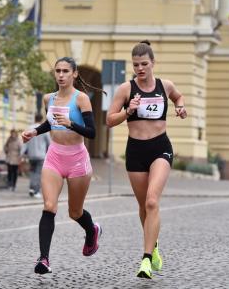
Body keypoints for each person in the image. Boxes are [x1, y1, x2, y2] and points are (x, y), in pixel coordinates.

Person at [106, 40, 187, 279]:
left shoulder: (165, 85)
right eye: (136, 65)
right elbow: (110, 120)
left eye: (144, 64)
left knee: (152, 202)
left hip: (160, 147)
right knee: (143, 206)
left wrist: (180, 108)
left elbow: (178, 96)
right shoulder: (125, 89)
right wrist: (128, 111)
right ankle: (155, 246)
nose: (140, 69)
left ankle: (146, 260)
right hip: (136, 151)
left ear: (153, 63)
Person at [21, 57, 105, 275]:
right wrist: (35, 131)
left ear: (74, 74)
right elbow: (50, 123)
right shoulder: (49, 98)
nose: (60, 75)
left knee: (75, 212)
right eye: (57, 71)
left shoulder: (81, 99)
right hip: (54, 157)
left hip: (77, 159)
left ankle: (92, 229)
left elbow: (92, 133)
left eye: (65, 71)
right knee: (49, 206)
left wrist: (71, 124)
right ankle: (44, 259)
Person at [21, 114, 51, 198]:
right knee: (38, 173)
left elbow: (25, 141)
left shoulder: (29, 128)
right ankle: (36, 191)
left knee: (32, 172)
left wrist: (22, 153)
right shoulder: (44, 129)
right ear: (41, 119)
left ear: (34, 119)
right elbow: (49, 143)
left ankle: (31, 188)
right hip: (41, 155)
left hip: (31, 155)